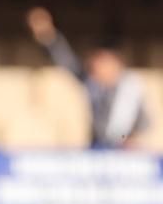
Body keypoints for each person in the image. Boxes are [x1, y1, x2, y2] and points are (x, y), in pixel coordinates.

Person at [25, 8, 150, 148]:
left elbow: (144, 122)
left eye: (103, 62)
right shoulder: (91, 82)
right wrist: (48, 35)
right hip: (97, 147)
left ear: (116, 63)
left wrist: (130, 139)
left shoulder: (130, 87)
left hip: (121, 151)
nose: (97, 67)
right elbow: (66, 60)